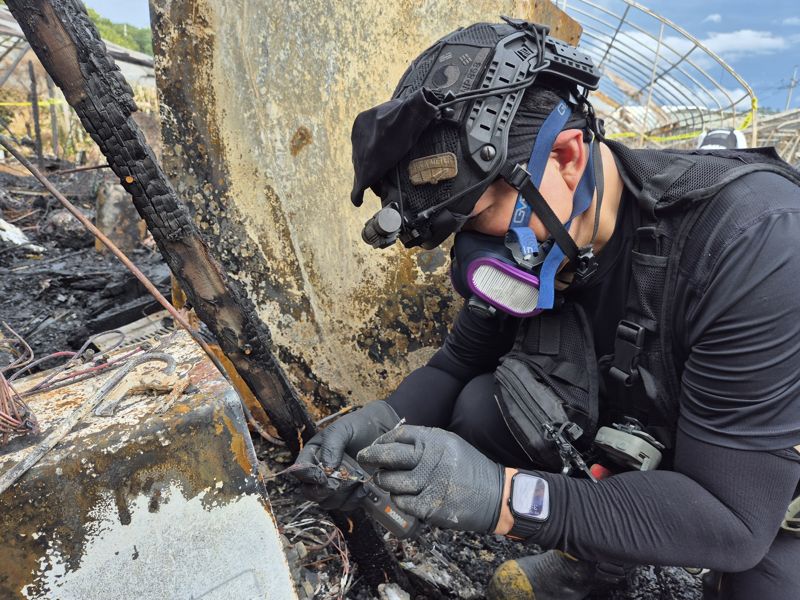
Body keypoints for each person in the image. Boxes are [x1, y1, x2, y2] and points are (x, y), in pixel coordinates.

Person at [293, 18, 800, 599]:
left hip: (760, 477)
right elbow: (457, 365)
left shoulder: (754, 242)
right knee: (482, 409)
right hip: (659, 428)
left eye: (479, 217)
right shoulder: (551, 238)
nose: (475, 255)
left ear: (565, 156)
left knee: (762, 582)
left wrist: (504, 498)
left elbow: (733, 520)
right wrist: (377, 423)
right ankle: (599, 559)